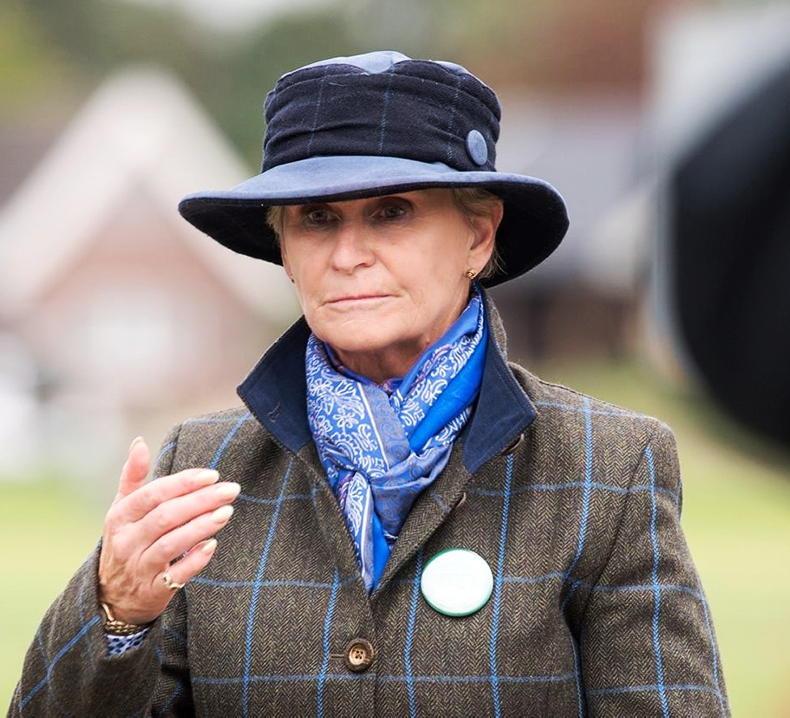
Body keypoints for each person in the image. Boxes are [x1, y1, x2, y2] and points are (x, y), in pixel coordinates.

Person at [8, 50, 730, 717]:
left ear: (479, 236)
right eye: (317, 219)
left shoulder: (608, 469)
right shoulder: (202, 472)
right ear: (284, 248)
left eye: (392, 212)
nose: (348, 254)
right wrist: (116, 614)